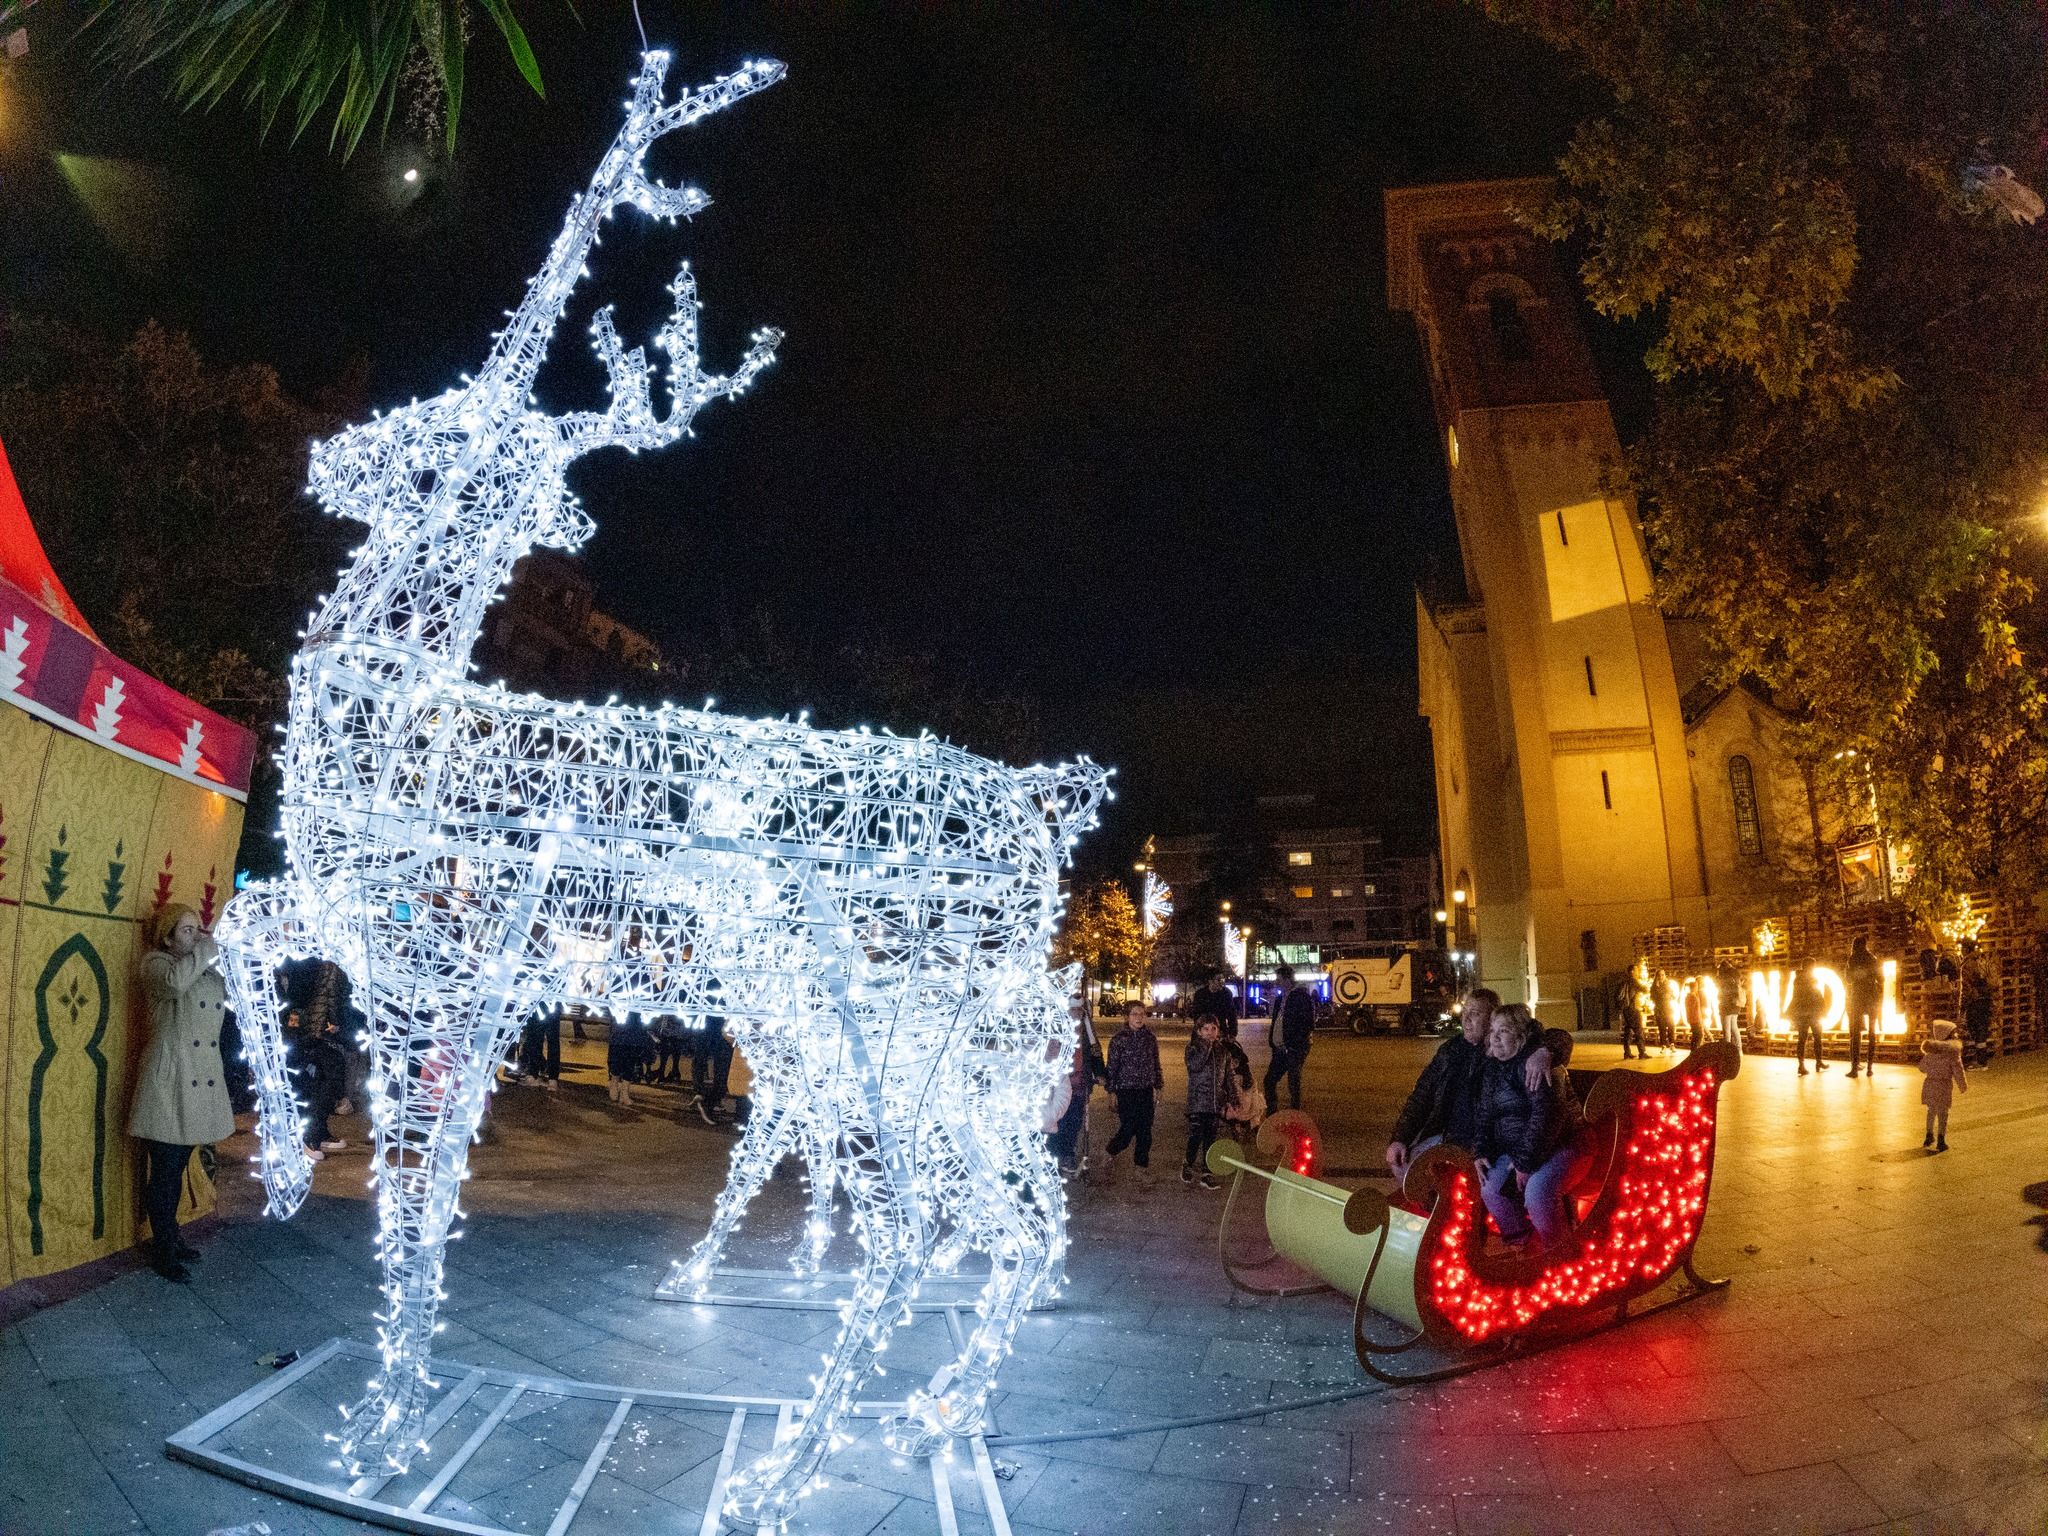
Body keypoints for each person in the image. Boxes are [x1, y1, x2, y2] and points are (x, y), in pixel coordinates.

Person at [128, 904, 236, 1282]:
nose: (197, 936)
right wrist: (210, 948)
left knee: (178, 1164)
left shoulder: (203, 970)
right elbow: (175, 983)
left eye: (198, 929)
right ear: (167, 937)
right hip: (170, 1082)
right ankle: (163, 1248)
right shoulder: (156, 965)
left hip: (202, 1075)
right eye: (187, 930)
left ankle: (172, 1236)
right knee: (167, 1170)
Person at [1385, 988, 1552, 1187]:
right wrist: (1400, 1138)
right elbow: (1422, 1096)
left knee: (1472, 1178)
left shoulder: (1501, 1049)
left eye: (1474, 1013)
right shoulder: (1450, 1051)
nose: (1466, 1019)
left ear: (1492, 1017)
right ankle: (1438, 1213)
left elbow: (1546, 1035)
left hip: (1483, 1141)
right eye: (1465, 1012)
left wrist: (1545, 1051)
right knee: (1402, 1165)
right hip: (1447, 1136)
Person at [1476, 1009, 1592, 1252]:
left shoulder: (1537, 1065)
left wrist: (1524, 1163)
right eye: (1493, 1031)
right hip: (1524, 1149)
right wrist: (1480, 1151)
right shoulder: (1493, 1067)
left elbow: (1548, 1117)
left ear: (1520, 1036)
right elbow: (1485, 1113)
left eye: (1504, 1031)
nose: (1495, 1037)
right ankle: (1523, 1245)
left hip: (1565, 1143)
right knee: (1490, 1188)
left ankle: (1560, 1254)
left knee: (1538, 1194)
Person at [1101, 1002, 1163, 1180]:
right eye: (1134, 1014)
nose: (1139, 1017)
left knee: (1145, 1130)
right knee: (1128, 1129)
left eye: (1142, 1014)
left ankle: (1141, 1167)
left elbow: (1156, 1064)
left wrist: (1159, 1085)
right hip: (1126, 1091)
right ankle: (1110, 1151)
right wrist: (1111, 1092)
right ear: (1127, 1017)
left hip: (1145, 1090)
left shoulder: (1150, 1038)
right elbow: (1112, 1067)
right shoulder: (1119, 1040)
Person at [1048, 994, 1104, 1175]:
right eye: (1073, 1009)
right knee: (1054, 1120)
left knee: (1074, 1122)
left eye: (1079, 1010)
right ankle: (1053, 1154)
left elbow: (1095, 1053)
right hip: (1058, 1084)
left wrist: (1101, 1073)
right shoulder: (1056, 1029)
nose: (1076, 1013)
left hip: (1079, 1084)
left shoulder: (1087, 1031)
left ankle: (1066, 1154)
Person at [1182, 1016, 1229, 1190]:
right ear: (1199, 1031)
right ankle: (1188, 1162)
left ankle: (1206, 1173)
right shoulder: (1193, 1048)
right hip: (1197, 1101)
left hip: (1215, 1103)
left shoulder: (1223, 1051)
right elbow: (1194, 1066)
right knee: (1196, 1135)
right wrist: (1207, 1047)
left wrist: (1232, 1098)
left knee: (1211, 1138)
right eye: (1206, 1029)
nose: (1210, 1033)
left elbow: (1228, 1077)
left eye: (1213, 1029)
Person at [1263, 965, 1316, 1111]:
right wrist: (1273, 1043)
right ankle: (1272, 1112)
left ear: (1287, 980)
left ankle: (1295, 1113)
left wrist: (1295, 1044)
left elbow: (1308, 1023)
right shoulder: (1280, 998)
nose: (1276, 983)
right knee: (1269, 1080)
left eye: (1278, 979)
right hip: (1280, 1049)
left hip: (1293, 1048)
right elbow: (1277, 1021)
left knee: (1293, 1082)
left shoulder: (1301, 997)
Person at [1917, 1018, 1967, 1151]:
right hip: (1944, 1085)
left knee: (1931, 1111)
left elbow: (1921, 1067)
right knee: (1943, 1113)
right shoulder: (1952, 1053)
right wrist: (1962, 1085)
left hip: (1930, 1084)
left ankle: (1928, 1135)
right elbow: (1958, 1069)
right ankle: (1941, 1139)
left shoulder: (1930, 1052)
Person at [1845, 938, 1882, 1078]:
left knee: (1855, 1033)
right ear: (1866, 945)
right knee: (1872, 1032)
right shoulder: (1873, 959)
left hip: (1857, 997)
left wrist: (1858, 977)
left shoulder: (1852, 959)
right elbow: (1881, 978)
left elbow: (1848, 980)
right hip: (1872, 997)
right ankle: (1870, 1068)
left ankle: (1854, 1068)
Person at [691, 1012, 736, 1125]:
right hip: (716, 1023)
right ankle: (707, 1099)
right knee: (720, 1066)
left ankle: (704, 1096)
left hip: (715, 1023)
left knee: (720, 1066)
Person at [1959, 941, 1995, 1069]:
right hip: (1985, 998)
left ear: (1965, 949)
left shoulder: (1968, 964)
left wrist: (1963, 1005)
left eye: (1961, 948)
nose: (1960, 950)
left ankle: (1981, 1062)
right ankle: (1981, 1060)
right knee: (1981, 1028)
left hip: (1975, 1000)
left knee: (1974, 1027)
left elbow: (1967, 986)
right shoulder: (1980, 960)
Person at [1789, 964, 1827, 1075]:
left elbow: (1796, 997)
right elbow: (1815, 995)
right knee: (1817, 1038)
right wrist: (1822, 1008)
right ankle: (1817, 1062)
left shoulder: (1798, 979)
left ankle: (1802, 1065)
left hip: (1802, 1014)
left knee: (1802, 1039)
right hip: (1812, 1013)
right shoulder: (1808, 978)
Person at [608, 1012, 653, 1106]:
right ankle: (614, 1085)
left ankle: (624, 1092)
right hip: (621, 1026)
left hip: (636, 1028)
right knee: (617, 1058)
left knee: (631, 1061)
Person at [1616, 973, 1650, 1060]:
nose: (1638, 971)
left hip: (1625, 1009)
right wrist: (1647, 986)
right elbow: (1644, 989)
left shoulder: (1623, 981)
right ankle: (1642, 1053)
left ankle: (1627, 1053)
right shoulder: (1633, 981)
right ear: (1632, 972)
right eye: (1636, 970)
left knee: (1628, 1030)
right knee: (1638, 1030)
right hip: (1632, 1009)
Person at [652, 1013, 689, 1085]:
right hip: (677, 1033)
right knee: (675, 1058)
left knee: (664, 1058)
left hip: (668, 1034)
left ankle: (662, 1075)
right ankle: (674, 1076)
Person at [1681, 978, 1706, 1051]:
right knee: (1698, 1035)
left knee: (1696, 1035)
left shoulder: (1691, 996)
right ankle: (1695, 1050)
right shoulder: (1692, 997)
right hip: (1695, 1018)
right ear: (1694, 987)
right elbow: (1693, 1009)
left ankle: (1694, 1050)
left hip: (1694, 1018)